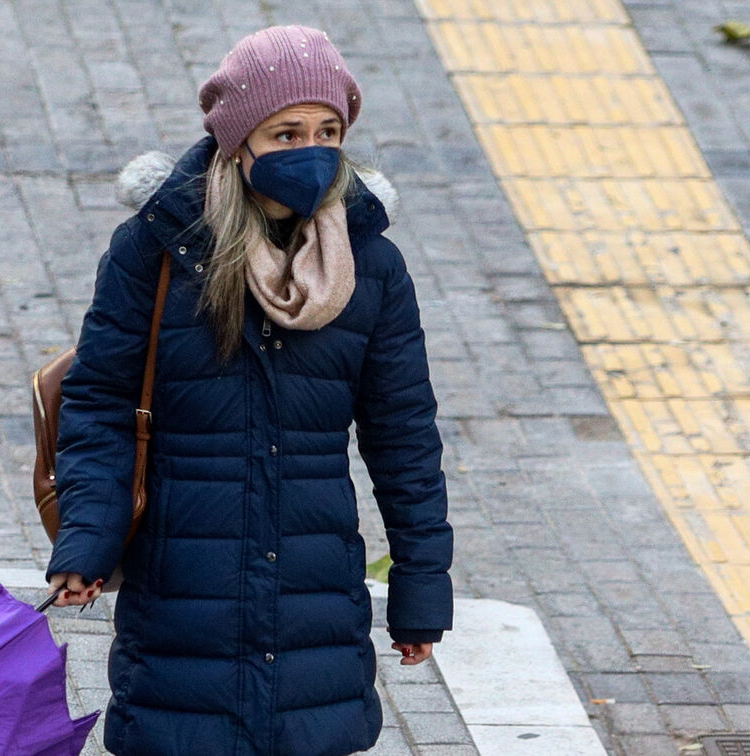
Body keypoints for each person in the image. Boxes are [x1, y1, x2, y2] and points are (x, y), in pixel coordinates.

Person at [44, 24, 453, 756]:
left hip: (314, 600)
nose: (311, 151)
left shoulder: (372, 268)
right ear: (239, 142)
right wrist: (88, 543)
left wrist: (422, 592)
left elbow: (404, 439)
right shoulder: (157, 251)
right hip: (184, 594)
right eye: (286, 132)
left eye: (328, 130)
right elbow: (101, 404)